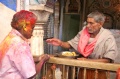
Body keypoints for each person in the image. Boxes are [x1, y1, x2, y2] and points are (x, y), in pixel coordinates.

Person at [46, 11, 118, 79]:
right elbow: (71, 44)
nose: (88, 26)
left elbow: (107, 60)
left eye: (91, 23)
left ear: (100, 24)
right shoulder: (84, 32)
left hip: (98, 72)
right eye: (87, 23)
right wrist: (60, 43)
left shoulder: (107, 37)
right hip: (82, 69)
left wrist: (87, 61)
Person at [0, 10, 50, 79]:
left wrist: (38, 58)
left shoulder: (10, 38)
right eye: (32, 28)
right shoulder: (20, 44)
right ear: (24, 27)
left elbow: (17, 60)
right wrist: (43, 60)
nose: (32, 32)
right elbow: (30, 74)